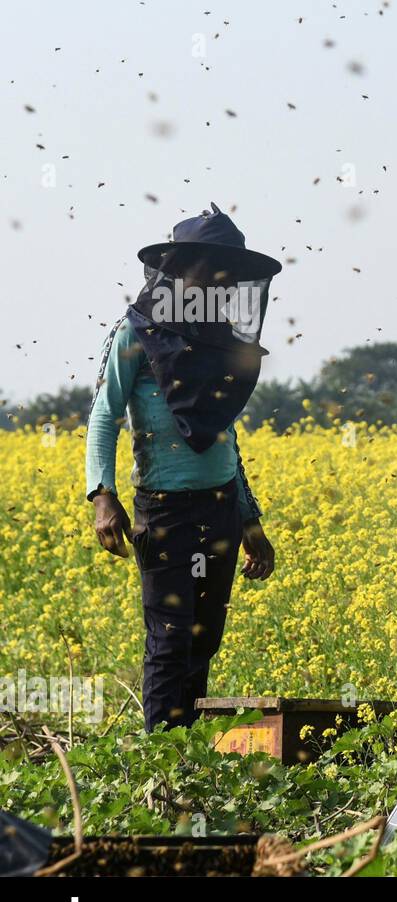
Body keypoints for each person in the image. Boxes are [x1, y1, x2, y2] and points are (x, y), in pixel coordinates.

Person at [85, 204, 278, 730]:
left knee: (204, 638)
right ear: (178, 268)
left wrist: (249, 518)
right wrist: (102, 496)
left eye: (228, 270)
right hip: (164, 512)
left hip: (218, 508)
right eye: (207, 266)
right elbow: (104, 417)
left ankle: (187, 757)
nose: (218, 278)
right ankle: (160, 764)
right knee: (170, 639)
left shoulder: (225, 344)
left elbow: (224, 436)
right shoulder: (136, 334)